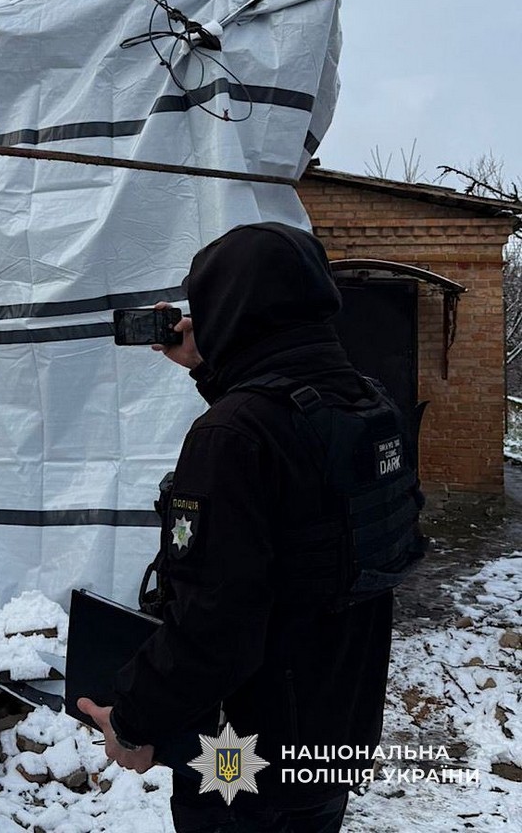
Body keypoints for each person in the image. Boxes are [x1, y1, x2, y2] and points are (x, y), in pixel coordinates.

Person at [78, 221, 398, 833]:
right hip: (334, 735)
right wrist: (212, 366)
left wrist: (134, 721)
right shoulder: (365, 404)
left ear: (233, 307)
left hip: (242, 758)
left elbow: (217, 627)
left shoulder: (233, 437)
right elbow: (291, 466)